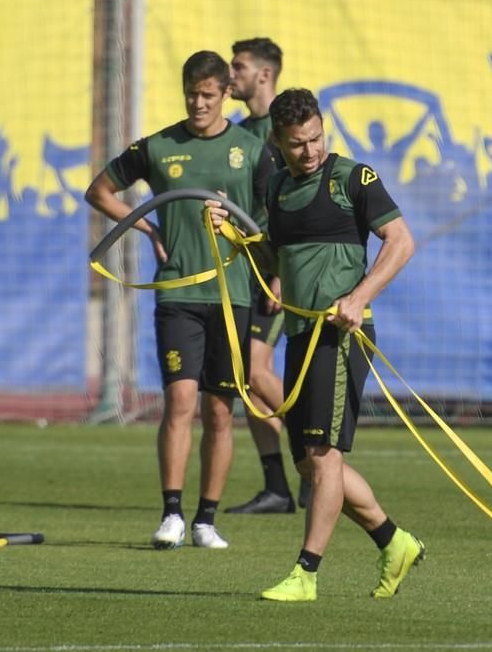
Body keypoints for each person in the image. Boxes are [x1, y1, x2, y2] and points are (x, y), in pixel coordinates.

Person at [209, 88, 423, 601]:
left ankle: (306, 573)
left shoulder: (354, 177)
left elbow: (402, 241)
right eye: (298, 144)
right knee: (309, 460)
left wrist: (358, 296)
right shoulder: (279, 190)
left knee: (323, 455)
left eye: (316, 137)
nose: (311, 150)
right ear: (278, 144)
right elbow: (274, 263)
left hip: (343, 334)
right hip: (301, 336)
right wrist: (237, 238)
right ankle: (394, 543)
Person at [85, 50, 273, 550]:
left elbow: (272, 218)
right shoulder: (160, 146)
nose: (198, 103)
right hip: (178, 293)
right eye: (191, 93)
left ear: (226, 94)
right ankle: (171, 513)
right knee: (180, 401)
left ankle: (206, 521)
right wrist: (147, 226)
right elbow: (100, 190)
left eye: (208, 95)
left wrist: (253, 252)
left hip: (233, 295)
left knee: (219, 411)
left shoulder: (252, 150)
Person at [224, 37, 309, 514]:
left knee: (255, 371)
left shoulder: (285, 134)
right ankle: (277, 486)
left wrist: (280, 272)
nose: (230, 75)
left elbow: (293, 204)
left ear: (264, 75)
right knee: (246, 377)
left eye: (238, 67)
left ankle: (317, 453)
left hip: (274, 270)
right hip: (243, 268)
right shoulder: (238, 132)